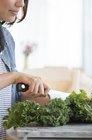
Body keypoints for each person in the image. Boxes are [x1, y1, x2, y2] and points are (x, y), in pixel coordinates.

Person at [0, 0, 50, 139]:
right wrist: (15, 77)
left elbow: (10, 97)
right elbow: (13, 77)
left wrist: (36, 95)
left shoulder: (7, 38)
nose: (21, 4)